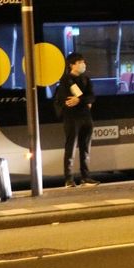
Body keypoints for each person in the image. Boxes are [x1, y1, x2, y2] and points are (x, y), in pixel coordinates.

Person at [54, 53, 98, 187]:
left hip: (86, 117)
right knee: (70, 147)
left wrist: (79, 100)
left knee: (85, 147)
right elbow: (66, 100)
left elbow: (91, 97)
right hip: (71, 117)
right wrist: (83, 101)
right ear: (72, 65)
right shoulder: (65, 80)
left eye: (83, 62)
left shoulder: (86, 79)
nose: (83, 65)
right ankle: (69, 178)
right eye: (79, 62)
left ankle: (85, 176)